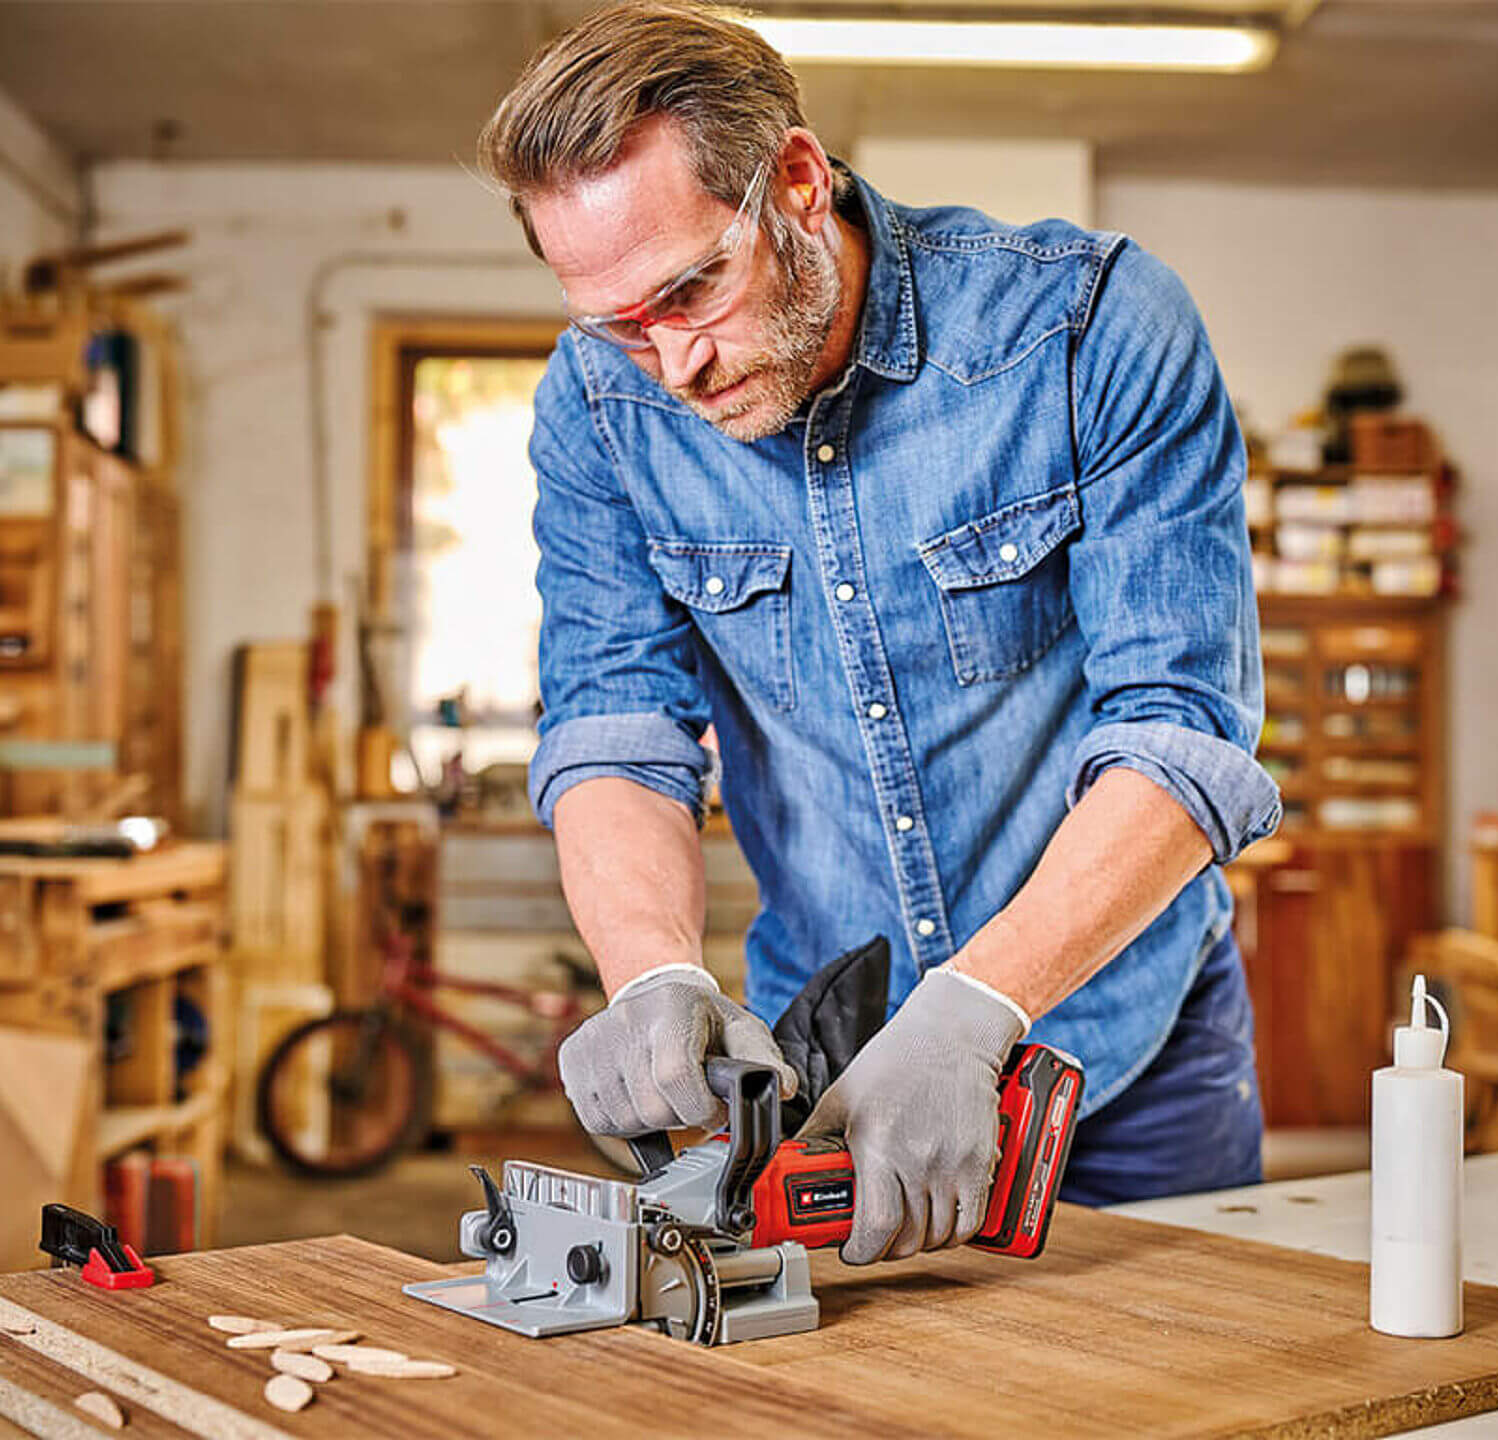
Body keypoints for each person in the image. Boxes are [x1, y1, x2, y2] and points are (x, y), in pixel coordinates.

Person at [480, 0, 1282, 1266]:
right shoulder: (599, 411)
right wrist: (649, 975)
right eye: (618, 322)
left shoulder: (1091, 330)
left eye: (691, 288)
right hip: (827, 1053)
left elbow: (1179, 738)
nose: (670, 364)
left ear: (797, 182)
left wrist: (976, 1008)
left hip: (1121, 1050)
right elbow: (617, 729)